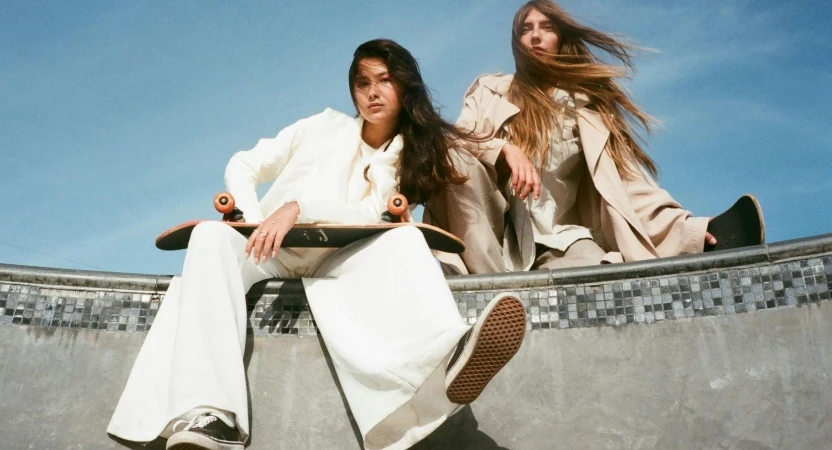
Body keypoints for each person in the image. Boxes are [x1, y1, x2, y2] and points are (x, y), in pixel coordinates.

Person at [106, 39, 527, 450]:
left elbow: (386, 204)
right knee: (209, 236)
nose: (372, 92)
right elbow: (245, 163)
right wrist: (251, 218)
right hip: (269, 250)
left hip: (340, 258)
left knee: (405, 240)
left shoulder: (410, 155)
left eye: (384, 80)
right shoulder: (321, 126)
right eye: (362, 83)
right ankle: (211, 415)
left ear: (404, 86)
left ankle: (447, 357)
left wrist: (508, 149)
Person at [425, 0, 724, 275]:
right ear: (517, 42)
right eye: (526, 29)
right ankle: (492, 295)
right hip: (495, 237)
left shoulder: (587, 108)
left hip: (562, 236)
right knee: (457, 160)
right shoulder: (491, 91)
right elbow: (453, 141)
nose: (536, 36)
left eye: (547, 27)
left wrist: (690, 232)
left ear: (561, 38)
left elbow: (626, 183)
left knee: (602, 278)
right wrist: (504, 150)